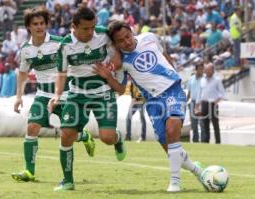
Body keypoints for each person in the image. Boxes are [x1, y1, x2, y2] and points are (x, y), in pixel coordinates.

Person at [93, 21, 203, 193]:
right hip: (152, 102)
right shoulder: (121, 63)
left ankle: (175, 182)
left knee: (172, 130)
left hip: (173, 90)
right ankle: (197, 170)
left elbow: (165, 55)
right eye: (121, 41)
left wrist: (175, 76)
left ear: (132, 31)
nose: (127, 42)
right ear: (116, 44)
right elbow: (121, 89)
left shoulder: (149, 37)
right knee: (168, 145)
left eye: (128, 36)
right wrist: (108, 77)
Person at [11, 7, 95, 183]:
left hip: (66, 95)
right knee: (32, 127)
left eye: (42, 23)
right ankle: (29, 171)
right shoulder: (25, 50)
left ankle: (84, 136)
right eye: (35, 24)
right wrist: (18, 96)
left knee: (68, 135)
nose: (40, 27)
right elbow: (23, 73)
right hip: (43, 94)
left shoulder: (59, 42)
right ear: (28, 27)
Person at [48, 7, 126, 191]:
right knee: (67, 134)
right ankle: (67, 180)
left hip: (103, 93)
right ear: (73, 26)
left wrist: (110, 68)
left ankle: (118, 138)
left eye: (92, 27)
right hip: (77, 95)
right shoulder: (65, 45)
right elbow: (61, 73)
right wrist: (58, 94)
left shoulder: (103, 35)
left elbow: (118, 58)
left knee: (107, 138)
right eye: (85, 28)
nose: (90, 32)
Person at [195, 63, 225, 144]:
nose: (207, 71)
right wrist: (197, 105)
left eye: (209, 70)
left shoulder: (217, 80)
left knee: (215, 124)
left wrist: (217, 100)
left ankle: (218, 142)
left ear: (212, 70)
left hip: (213, 104)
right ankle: (206, 142)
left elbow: (222, 92)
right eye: (206, 70)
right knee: (205, 124)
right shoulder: (202, 80)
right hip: (204, 104)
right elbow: (199, 93)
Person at [187, 63, 204, 142]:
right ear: (196, 69)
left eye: (202, 69)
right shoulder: (191, 79)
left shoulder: (204, 79)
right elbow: (189, 91)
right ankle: (195, 140)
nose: (201, 71)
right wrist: (186, 101)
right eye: (200, 69)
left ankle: (204, 141)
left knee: (202, 123)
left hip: (202, 102)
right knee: (194, 124)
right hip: (193, 102)